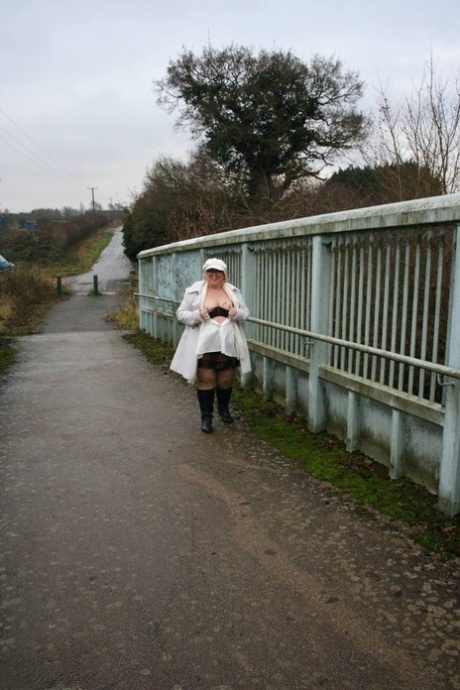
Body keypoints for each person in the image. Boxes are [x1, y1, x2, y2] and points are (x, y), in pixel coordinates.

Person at [170, 258, 251, 433]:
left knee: (225, 379)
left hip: (227, 341)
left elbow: (246, 313)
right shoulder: (194, 292)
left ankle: (223, 408)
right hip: (203, 342)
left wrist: (237, 313)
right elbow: (181, 314)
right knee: (207, 380)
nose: (214, 275)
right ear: (205, 274)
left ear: (224, 275)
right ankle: (206, 416)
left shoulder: (233, 292)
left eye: (218, 272)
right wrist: (198, 315)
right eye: (211, 272)